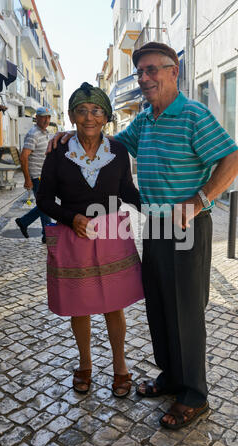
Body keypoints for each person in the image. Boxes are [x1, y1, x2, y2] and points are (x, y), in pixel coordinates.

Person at [48, 42, 238, 430]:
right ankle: (171, 376)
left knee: (186, 311)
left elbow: (234, 159)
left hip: (186, 226)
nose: (144, 78)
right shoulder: (147, 118)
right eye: (140, 72)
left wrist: (198, 201)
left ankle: (193, 395)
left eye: (152, 70)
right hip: (154, 225)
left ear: (174, 71)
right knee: (158, 305)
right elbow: (110, 142)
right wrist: (67, 137)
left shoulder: (192, 115)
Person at [36, 83, 144, 396]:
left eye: (96, 110)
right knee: (79, 306)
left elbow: (126, 191)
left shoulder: (119, 151)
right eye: (81, 111)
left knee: (114, 307)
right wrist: (72, 218)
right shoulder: (59, 152)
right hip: (73, 236)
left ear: (107, 116)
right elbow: (44, 199)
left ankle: (120, 367)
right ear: (71, 116)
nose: (89, 117)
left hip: (112, 235)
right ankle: (85, 364)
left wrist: (157, 208)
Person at [16, 107, 52, 244]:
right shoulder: (34, 134)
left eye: (48, 117)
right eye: (43, 117)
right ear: (36, 117)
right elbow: (24, 157)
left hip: (44, 176)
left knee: (45, 204)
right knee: (46, 204)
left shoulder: (45, 133)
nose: (46, 120)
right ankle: (47, 234)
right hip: (37, 177)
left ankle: (24, 222)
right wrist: (28, 179)